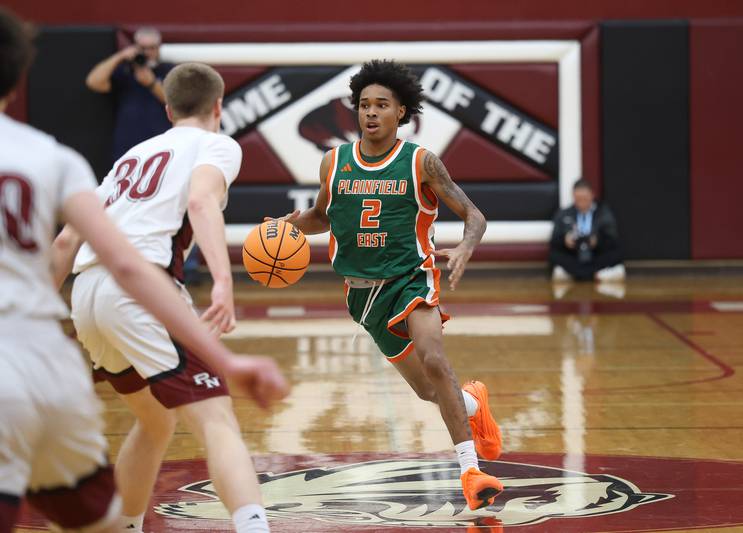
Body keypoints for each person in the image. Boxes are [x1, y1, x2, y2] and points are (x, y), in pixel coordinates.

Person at [0, 10, 287, 533]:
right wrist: (223, 282)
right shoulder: (217, 144)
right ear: (218, 106)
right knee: (217, 417)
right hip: (140, 289)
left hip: (86, 295)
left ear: (169, 108)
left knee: (156, 420)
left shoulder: (131, 156)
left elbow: (66, 240)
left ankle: (126, 526)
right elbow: (202, 203)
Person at [281, 59, 504, 511]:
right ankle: (473, 403)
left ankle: (470, 471)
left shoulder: (421, 161)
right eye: (364, 104)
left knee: (434, 359)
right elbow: (323, 217)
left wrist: (464, 247)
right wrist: (289, 226)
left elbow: (474, 216)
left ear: (401, 112)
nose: (371, 112)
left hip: (411, 278)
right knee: (428, 390)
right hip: (362, 295)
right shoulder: (334, 161)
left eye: (382, 104)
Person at [86, 27, 173, 161]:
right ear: (135, 47)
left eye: (152, 48)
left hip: (161, 146)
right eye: (143, 48)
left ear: (159, 48)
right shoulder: (125, 71)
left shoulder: (168, 70)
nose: (148, 53)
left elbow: (176, 102)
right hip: (128, 146)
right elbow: (94, 82)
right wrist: (120, 56)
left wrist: (152, 84)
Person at [549, 179, 625, 282]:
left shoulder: (603, 213)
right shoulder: (563, 214)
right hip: (574, 256)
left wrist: (597, 241)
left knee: (617, 253)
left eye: (584, 198)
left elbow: (613, 239)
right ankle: (595, 275)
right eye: (578, 199)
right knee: (554, 255)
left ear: (591, 195)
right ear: (573, 197)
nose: (581, 203)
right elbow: (554, 241)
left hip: (596, 256)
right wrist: (565, 240)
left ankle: (577, 275)